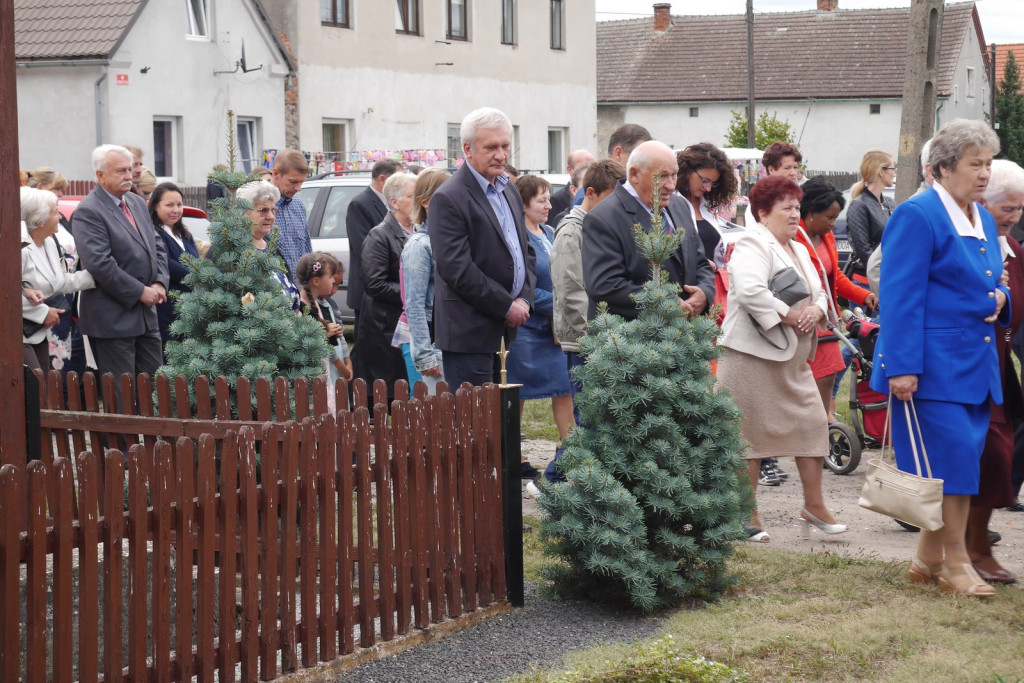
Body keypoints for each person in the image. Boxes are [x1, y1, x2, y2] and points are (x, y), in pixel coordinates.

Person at [871, 119, 1008, 598]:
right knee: (950, 466)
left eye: (988, 164)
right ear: (943, 168)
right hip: (931, 366)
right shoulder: (918, 214)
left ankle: (927, 559)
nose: (985, 173)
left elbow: (994, 280)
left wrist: (1002, 301)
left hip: (975, 363)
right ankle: (956, 563)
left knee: (959, 465)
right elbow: (899, 295)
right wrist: (902, 366)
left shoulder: (982, 217)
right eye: (976, 164)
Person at [717, 175, 844, 543]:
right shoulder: (751, 243)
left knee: (812, 424)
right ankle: (747, 514)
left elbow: (820, 292)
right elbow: (751, 290)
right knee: (749, 437)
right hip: (749, 359)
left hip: (792, 361)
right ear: (762, 213)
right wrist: (790, 315)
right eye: (786, 207)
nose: (794, 213)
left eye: (796, 206)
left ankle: (814, 506)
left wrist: (815, 312)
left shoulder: (799, 247)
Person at [431, 107, 536, 389]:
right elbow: (456, 268)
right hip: (469, 333)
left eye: (505, 146)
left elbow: (524, 251)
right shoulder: (449, 198)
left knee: (502, 419)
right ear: (467, 149)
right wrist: (505, 305)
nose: (501, 155)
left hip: (506, 329)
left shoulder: (508, 189)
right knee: (475, 425)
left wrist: (525, 299)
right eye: (491, 147)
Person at [965, 159, 1024, 585]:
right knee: (987, 455)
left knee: (997, 456)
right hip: (967, 366)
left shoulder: (1014, 250)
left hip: (1000, 366)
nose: (1016, 218)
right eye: (1009, 209)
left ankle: (973, 543)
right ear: (983, 204)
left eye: (1020, 209)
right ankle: (966, 549)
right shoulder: (969, 246)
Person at [582, 140, 714, 322]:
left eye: (674, 175)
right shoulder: (603, 218)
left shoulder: (680, 205)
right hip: (631, 342)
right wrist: (664, 303)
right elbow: (604, 285)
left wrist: (705, 293)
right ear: (634, 174)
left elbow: (700, 262)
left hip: (683, 339)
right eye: (662, 176)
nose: (671, 185)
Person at [74, 144, 169, 393]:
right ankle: (121, 436)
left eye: (129, 169)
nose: (128, 176)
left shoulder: (136, 202)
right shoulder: (88, 211)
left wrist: (159, 281)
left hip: (146, 316)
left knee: (152, 391)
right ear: (100, 175)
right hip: (112, 318)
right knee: (122, 397)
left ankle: (151, 434)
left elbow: (156, 244)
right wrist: (140, 291)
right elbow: (99, 263)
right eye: (120, 171)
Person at [509, 175, 575, 476]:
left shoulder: (548, 231)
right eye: (541, 200)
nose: (549, 205)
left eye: (549, 198)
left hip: (554, 330)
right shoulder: (516, 238)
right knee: (518, 395)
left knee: (564, 388)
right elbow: (522, 287)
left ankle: (570, 452)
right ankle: (514, 456)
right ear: (523, 204)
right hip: (526, 330)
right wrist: (563, 302)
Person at [795, 178, 876, 420]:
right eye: (829, 217)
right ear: (810, 213)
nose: (833, 224)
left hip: (825, 320)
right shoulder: (794, 236)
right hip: (801, 320)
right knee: (804, 384)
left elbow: (835, 276)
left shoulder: (827, 237)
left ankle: (824, 422)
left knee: (830, 370)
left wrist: (865, 295)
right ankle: (815, 426)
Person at [551, 159, 625, 421]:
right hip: (585, 342)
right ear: (590, 193)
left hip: (605, 339)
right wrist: (597, 338)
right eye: (609, 198)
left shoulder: (604, 226)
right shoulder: (572, 231)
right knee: (590, 418)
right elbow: (571, 292)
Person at [356, 172, 417, 402]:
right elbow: (375, 284)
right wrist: (414, 294)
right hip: (385, 327)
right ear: (395, 202)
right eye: (412, 196)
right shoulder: (380, 235)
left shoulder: (419, 231)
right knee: (389, 394)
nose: (419, 201)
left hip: (410, 323)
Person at [21, 187, 95, 373]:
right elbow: (6, 292)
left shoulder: (49, 243)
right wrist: (43, 312)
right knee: (32, 389)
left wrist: (102, 274)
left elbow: (59, 282)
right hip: (17, 334)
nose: (61, 217)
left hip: (37, 333)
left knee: (40, 391)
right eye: (55, 212)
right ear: (39, 220)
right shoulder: (18, 249)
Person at [393, 168, 449, 394]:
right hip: (431, 343)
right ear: (426, 203)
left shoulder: (445, 240)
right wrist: (426, 356)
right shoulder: (420, 245)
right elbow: (414, 304)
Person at [348, 159, 404, 327]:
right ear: (382, 180)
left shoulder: (392, 202)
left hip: (390, 289)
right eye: (398, 179)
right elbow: (362, 247)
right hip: (369, 288)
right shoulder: (360, 203)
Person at [232, 180, 302, 311]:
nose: (270, 216)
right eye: (263, 210)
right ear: (244, 213)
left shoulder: (271, 247)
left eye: (273, 210)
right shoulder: (232, 250)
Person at [296, 252, 352, 403]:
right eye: (330, 277)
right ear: (316, 281)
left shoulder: (317, 306)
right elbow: (298, 345)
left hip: (322, 373)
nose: (334, 280)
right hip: (309, 379)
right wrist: (324, 334)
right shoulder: (299, 309)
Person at [150, 182, 200, 352]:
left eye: (179, 205)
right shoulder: (153, 233)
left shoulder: (184, 234)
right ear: (156, 206)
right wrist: (195, 277)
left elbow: (196, 261)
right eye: (169, 205)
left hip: (190, 308)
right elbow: (165, 262)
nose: (176, 210)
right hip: (168, 307)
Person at [675, 143, 740, 270]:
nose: (708, 188)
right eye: (704, 180)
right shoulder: (671, 204)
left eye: (713, 183)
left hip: (711, 284)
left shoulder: (706, 206)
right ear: (688, 171)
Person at [846, 150, 896, 292]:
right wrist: (883, 275)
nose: (894, 173)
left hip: (888, 277)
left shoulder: (890, 203)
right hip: (866, 283)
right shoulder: (859, 205)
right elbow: (863, 250)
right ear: (881, 172)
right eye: (893, 168)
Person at [269, 149, 313, 280]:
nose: (299, 188)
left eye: (301, 182)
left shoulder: (298, 205)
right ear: (276, 173)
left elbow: (306, 252)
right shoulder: (259, 207)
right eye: (293, 182)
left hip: (298, 293)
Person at [744, 142, 803, 227]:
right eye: (787, 168)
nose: (793, 173)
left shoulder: (797, 195)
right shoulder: (760, 199)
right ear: (771, 170)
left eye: (795, 167)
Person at [550, 149, 596, 218]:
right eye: (583, 166)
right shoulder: (557, 199)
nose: (589, 170)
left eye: (593, 166)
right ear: (570, 169)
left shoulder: (598, 195)